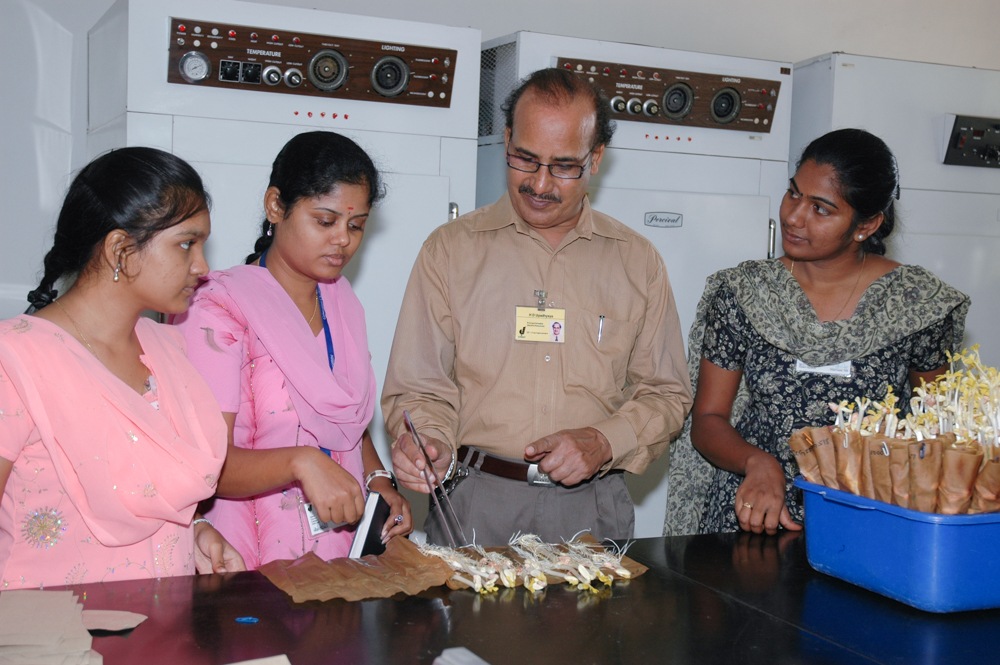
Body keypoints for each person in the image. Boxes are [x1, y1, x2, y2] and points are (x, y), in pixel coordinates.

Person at [382, 68, 693, 546]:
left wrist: (606, 439)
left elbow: (667, 393)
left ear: (596, 158)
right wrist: (427, 440)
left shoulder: (636, 261)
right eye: (524, 159)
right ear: (506, 139)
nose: (541, 184)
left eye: (564, 166)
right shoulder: (451, 251)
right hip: (476, 503)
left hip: (593, 507)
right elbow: (420, 386)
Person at [664, 128, 970, 537]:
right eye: (793, 194)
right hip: (751, 518)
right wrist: (758, 463)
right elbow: (707, 419)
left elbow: (938, 433)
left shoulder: (920, 306)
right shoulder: (746, 292)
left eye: (820, 209)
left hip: (869, 521)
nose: (793, 216)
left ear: (867, 225)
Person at [0, 147, 245, 589]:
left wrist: (193, 533)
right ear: (120, 249)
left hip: (164, 634)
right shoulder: (15, 360)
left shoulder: (166, 349)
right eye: (186, 244)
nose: (203, 267)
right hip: (50, 643)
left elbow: (143, 493)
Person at [174, 131, 412, 569]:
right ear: (275, 206)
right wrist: (301, 463)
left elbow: (346, 421)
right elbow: (207, 467)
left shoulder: (342, 304)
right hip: (247, 553)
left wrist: (378, 479)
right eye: (325, 221)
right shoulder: (219, 310)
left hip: (340, 548)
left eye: (356, 225)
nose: (343, 239)